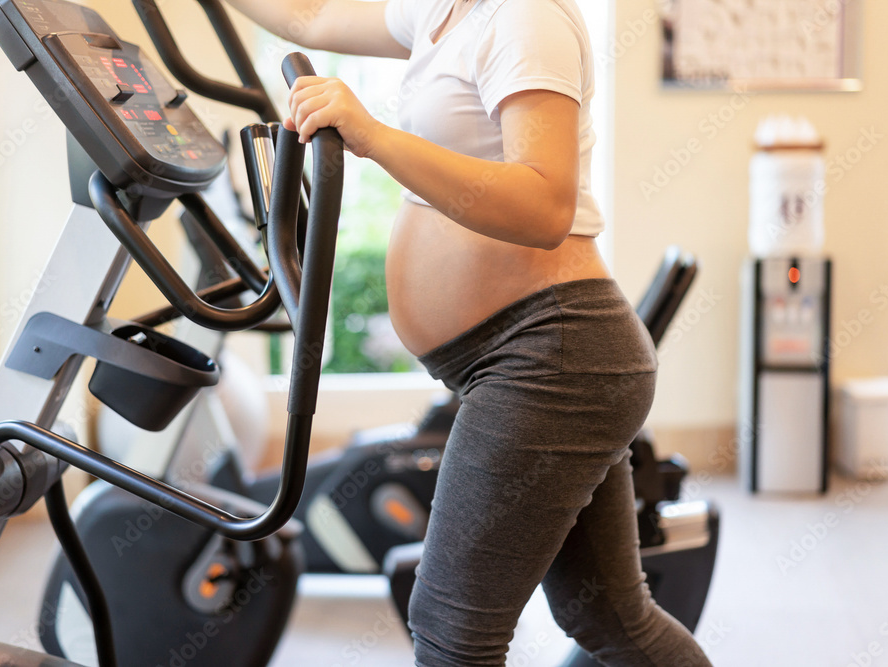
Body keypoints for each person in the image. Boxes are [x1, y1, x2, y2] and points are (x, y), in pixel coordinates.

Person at [227, 0, 714, 664]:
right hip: (542, 357)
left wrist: (371, 135)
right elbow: (308, 19)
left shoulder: (525, 18)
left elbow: (545, 204)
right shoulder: (440, 9)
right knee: (604, 613)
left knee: (452, 630)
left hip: (553, 355)